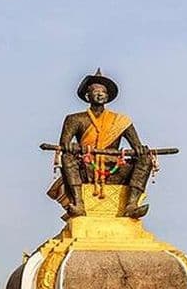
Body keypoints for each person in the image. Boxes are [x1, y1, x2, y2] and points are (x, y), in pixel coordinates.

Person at [58, 69, 152, 218]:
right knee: (67, 157)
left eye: (103, 92)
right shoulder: (75, 119)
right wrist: (71, 147)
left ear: (107, 97)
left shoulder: (121, 121)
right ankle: (78, 204)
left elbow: (137, 145)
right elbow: (64, 144)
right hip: (87, 167)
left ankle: (132, 205)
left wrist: (141, 150)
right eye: (96, 91)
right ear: (88, 96)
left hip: (114, 168)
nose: (100, 94)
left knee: (146, 158)